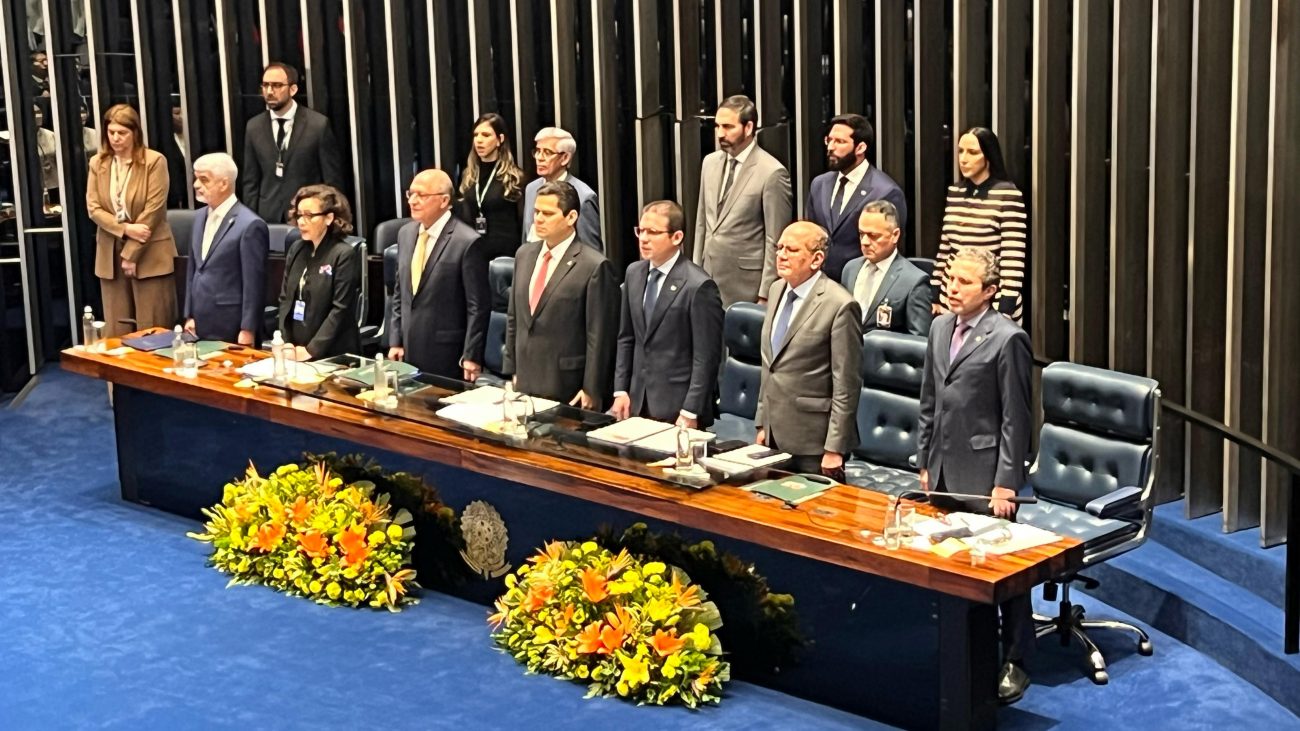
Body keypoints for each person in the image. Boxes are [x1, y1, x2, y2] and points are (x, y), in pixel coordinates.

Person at [916, 246, 1034, 705]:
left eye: (964, 282)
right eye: (950, 278)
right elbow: (930, 397)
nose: (952, 287)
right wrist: (925, 459)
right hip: (944, 468)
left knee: (1003, 574)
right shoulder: (940, 326)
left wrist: (1007, 482)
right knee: (950, 563)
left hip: (986, 474)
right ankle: (962, 649)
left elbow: (1015, 419)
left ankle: (1018, 659)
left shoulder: (1007, 339)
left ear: (990, 291)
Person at [754, 221, 862, 478]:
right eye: (779, 247)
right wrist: (762, 422)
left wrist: (835, 448)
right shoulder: (776, 289)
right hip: (773, 434)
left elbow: (846, 383)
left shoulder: (840, 305)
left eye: (791, 249)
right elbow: (770, 364)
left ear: (816, 259)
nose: (781, 255)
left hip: (813, 443)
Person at [503, 180, 617, 410]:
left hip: (567, 384)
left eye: (548, 213)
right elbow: (514, 316)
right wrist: (512, 369)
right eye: (536, 212)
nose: (539, 219)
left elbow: (599, 335)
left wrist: (591, 389)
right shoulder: (524, 255)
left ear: (571, 217)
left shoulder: (593, 265)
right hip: (525, 378)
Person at [611, 201, 723, 428]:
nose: (643, 238)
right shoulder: (634, 273)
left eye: (653, 232)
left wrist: (691, 410)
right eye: (640, 231)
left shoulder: (698, 286)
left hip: (678, 407)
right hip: (636, 402)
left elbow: (706, 357)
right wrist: (620, 389)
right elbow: (627, 337)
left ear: (677, 237)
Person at [388, 168, 491, 381]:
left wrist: (471, 355)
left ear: (444, 201)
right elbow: (400, 292)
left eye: (422, 195)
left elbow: (477, 306)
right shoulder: (405, 233)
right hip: (407, 347)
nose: (413, 201)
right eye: (411, 194)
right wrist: (395, 338)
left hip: (446, 353)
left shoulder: (467, 241)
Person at [85, 104, 177, 337]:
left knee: (153, 328)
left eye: (122, 133)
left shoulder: (154, 161)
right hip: (110, 253)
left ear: (135, 132)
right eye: (111, 132)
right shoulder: (98, 163)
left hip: (150, 252)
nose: (116, 138)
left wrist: (131, 253)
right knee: (117, 329)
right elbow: (94, 208)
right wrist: (125, 229)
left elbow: (153, 211)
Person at [692, 94, 792, 307]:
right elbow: (702, 222)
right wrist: (694, 271)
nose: (720, 133)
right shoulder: (709, 163)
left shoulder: (772, 172)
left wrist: (766, 292)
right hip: (706, 277)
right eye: (717, 126)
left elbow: (775, 237)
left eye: (728, 127)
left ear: (748, 128)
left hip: (747, 284)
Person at [932, 127, 1027, 324]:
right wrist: (935, 292)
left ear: (988, 156)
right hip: (952, 296)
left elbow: (1013, 258)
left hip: (991, 297)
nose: (964, 159)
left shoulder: (1008, 195)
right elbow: (945, 249)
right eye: (960, 151)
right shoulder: (955, 192)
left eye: (973, 152)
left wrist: (1006, 308)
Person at [805, 113, 907, 282]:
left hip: (862, 283)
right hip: (820, 284)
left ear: (860, 148)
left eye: (840, 142)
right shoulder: (819, 184)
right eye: (829, 140)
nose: (830, 147)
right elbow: (811, 234)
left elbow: (889, 250)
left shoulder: (886, 192)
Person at [242, 62, 345, 223]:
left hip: (307, 216)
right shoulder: (254, 126)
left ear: (293, 89)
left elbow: (331, 179)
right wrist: (251, 219)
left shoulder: (317, 125)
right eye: (265, 85)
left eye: (277, 85)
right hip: (267, 216)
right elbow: (250, 181)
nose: (269, 91)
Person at [183, 152, 268, 345]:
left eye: (204, 180)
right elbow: (193, 270)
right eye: (196, 178)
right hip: (199, 322)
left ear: (224, 183)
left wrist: (248, 329)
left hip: (231, 324)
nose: (196, 185)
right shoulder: (197, 218)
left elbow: (254, 285)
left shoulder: (250, 225)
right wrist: (190, 314)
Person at [276, 185, 360, 359]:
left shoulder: (343, 254)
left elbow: (340, 310)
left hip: (333, 352)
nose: (301, 221)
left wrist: (311, 350)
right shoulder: (297, 249)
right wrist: (287, 342)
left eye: (309, 215)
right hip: (296, 349)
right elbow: (285, 298)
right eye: (299, 214)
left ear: (329, 218)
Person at [840, 200, 933, 336]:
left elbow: (919, 343)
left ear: (895, 235)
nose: (865, 242)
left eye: (873, 236)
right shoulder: (850, 269)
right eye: (861, 234)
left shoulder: (914, 281)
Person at [455, 112, 525, 260]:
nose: (479, 140)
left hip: (505, 254)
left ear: (500, 139)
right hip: (474, 249)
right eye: (476, 135)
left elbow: (522, 221)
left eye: (486, 135)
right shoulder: (469, 175)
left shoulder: (514, 178)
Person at [521, 127, 602, 252]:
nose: (539, 157)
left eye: (547, 152)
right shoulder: (531, 189)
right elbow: (526, 239)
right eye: (537, 151)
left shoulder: (584, 196)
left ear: (565, 158)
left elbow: (592, 253)